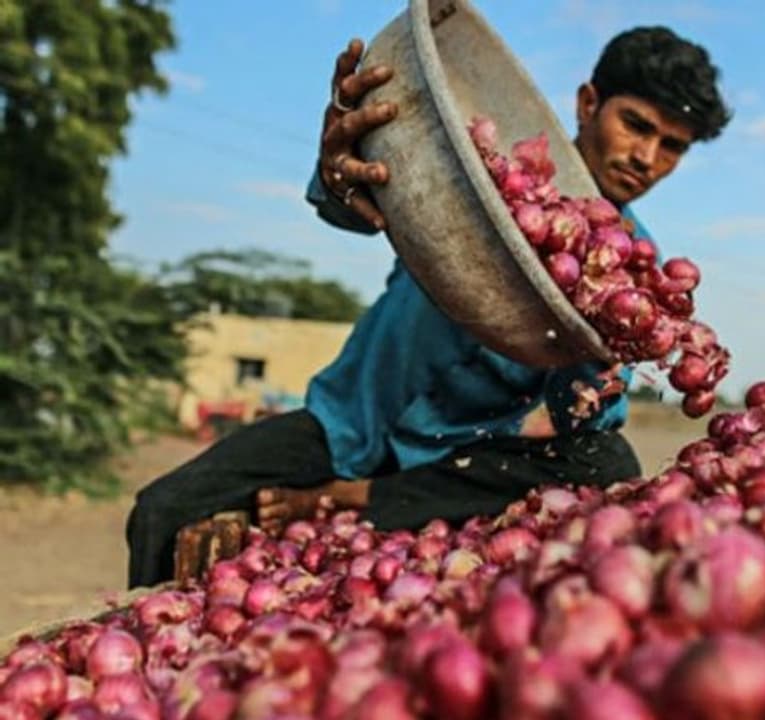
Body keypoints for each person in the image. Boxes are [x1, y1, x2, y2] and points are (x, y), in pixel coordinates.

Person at [125, 25, 732, 589]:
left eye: (671, 146)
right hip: (352, 425)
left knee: (608, 461)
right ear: (587, 102)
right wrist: (340, 173)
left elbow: (589, 415)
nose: (646, 158)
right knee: (164, 509)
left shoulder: (636, 271)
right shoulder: (486, 176)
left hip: (466, 455)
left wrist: (602, 360)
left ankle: (358, 498)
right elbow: (370, 197)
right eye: (636, 125)